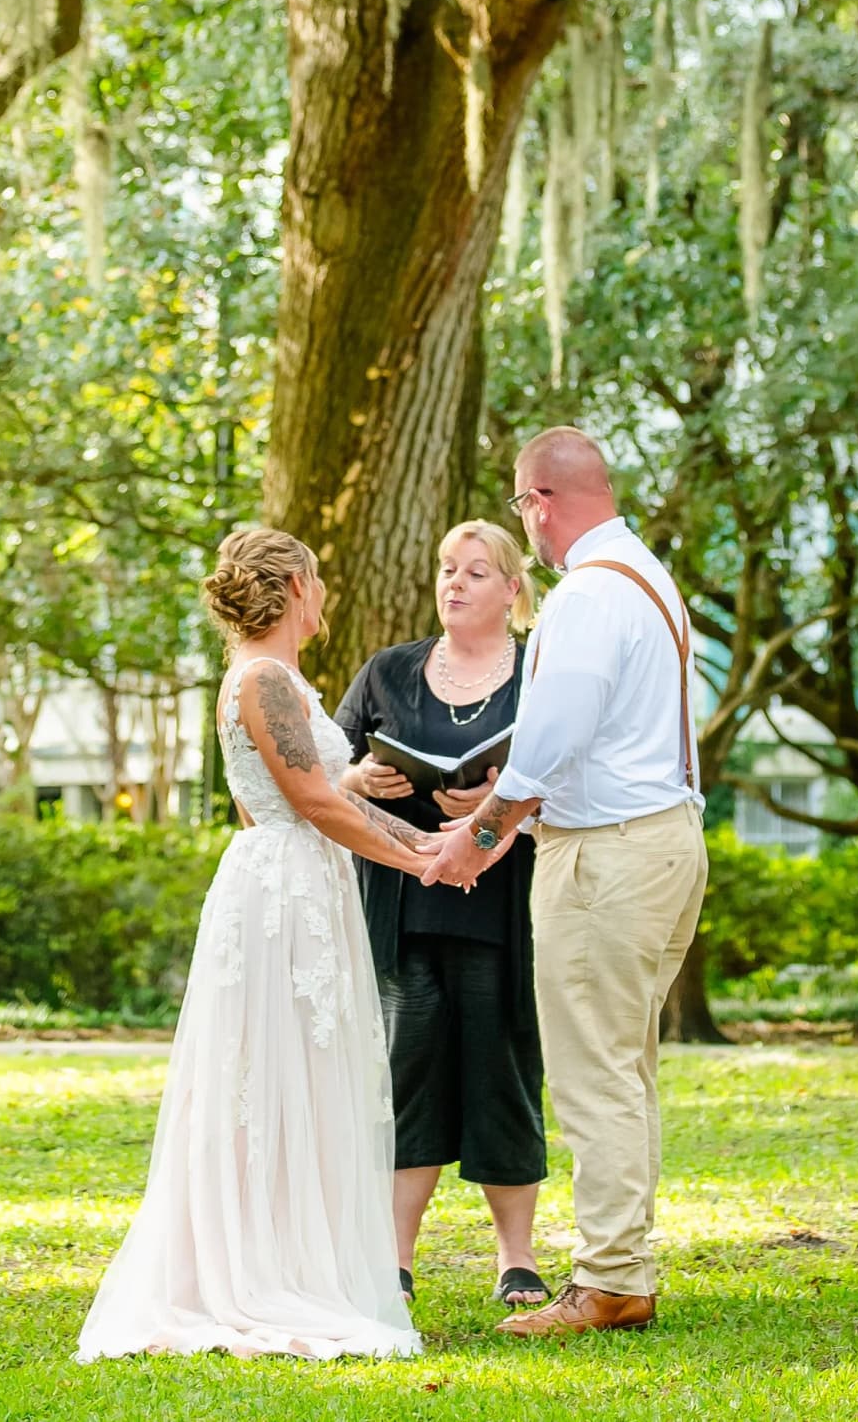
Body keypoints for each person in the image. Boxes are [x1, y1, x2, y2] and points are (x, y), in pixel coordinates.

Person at [78, 526, 429, 1364]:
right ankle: (258, 1270)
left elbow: (314, 795)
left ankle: (288, 1253)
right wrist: (424, 859)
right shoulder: (263, 677)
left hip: (298, 883)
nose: (325, 593)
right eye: (319, 578)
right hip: (283, 892)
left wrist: (421, 844)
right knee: (269, 1073)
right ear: (295, 585)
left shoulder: (266, 676)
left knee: (294, 1072)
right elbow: (316, 802)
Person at [425, 428, 706, 1340]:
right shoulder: (649, 577)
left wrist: (483, 834)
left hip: (606, 855)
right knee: (625, 1063)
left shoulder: (586, 593)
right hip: (664, 840)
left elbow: (553, 738)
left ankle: (611, 1278)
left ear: (539, 501)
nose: (525, 524)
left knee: (594, 1070)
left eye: (520, 505)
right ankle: (624, 1263)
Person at [334, 521, 548, 1311]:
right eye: (447, 568)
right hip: (402, 900)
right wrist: (361, 779)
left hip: (502, 898)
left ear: (512, 589)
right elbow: (326, 771)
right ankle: (394, 1257)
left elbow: (568, 775)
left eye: (475, 571)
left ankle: (516, 1257)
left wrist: (501, 806)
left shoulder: (541, 671)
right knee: (408, 1068)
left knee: (502, 1064)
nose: (454, 582)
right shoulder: (388, 671)